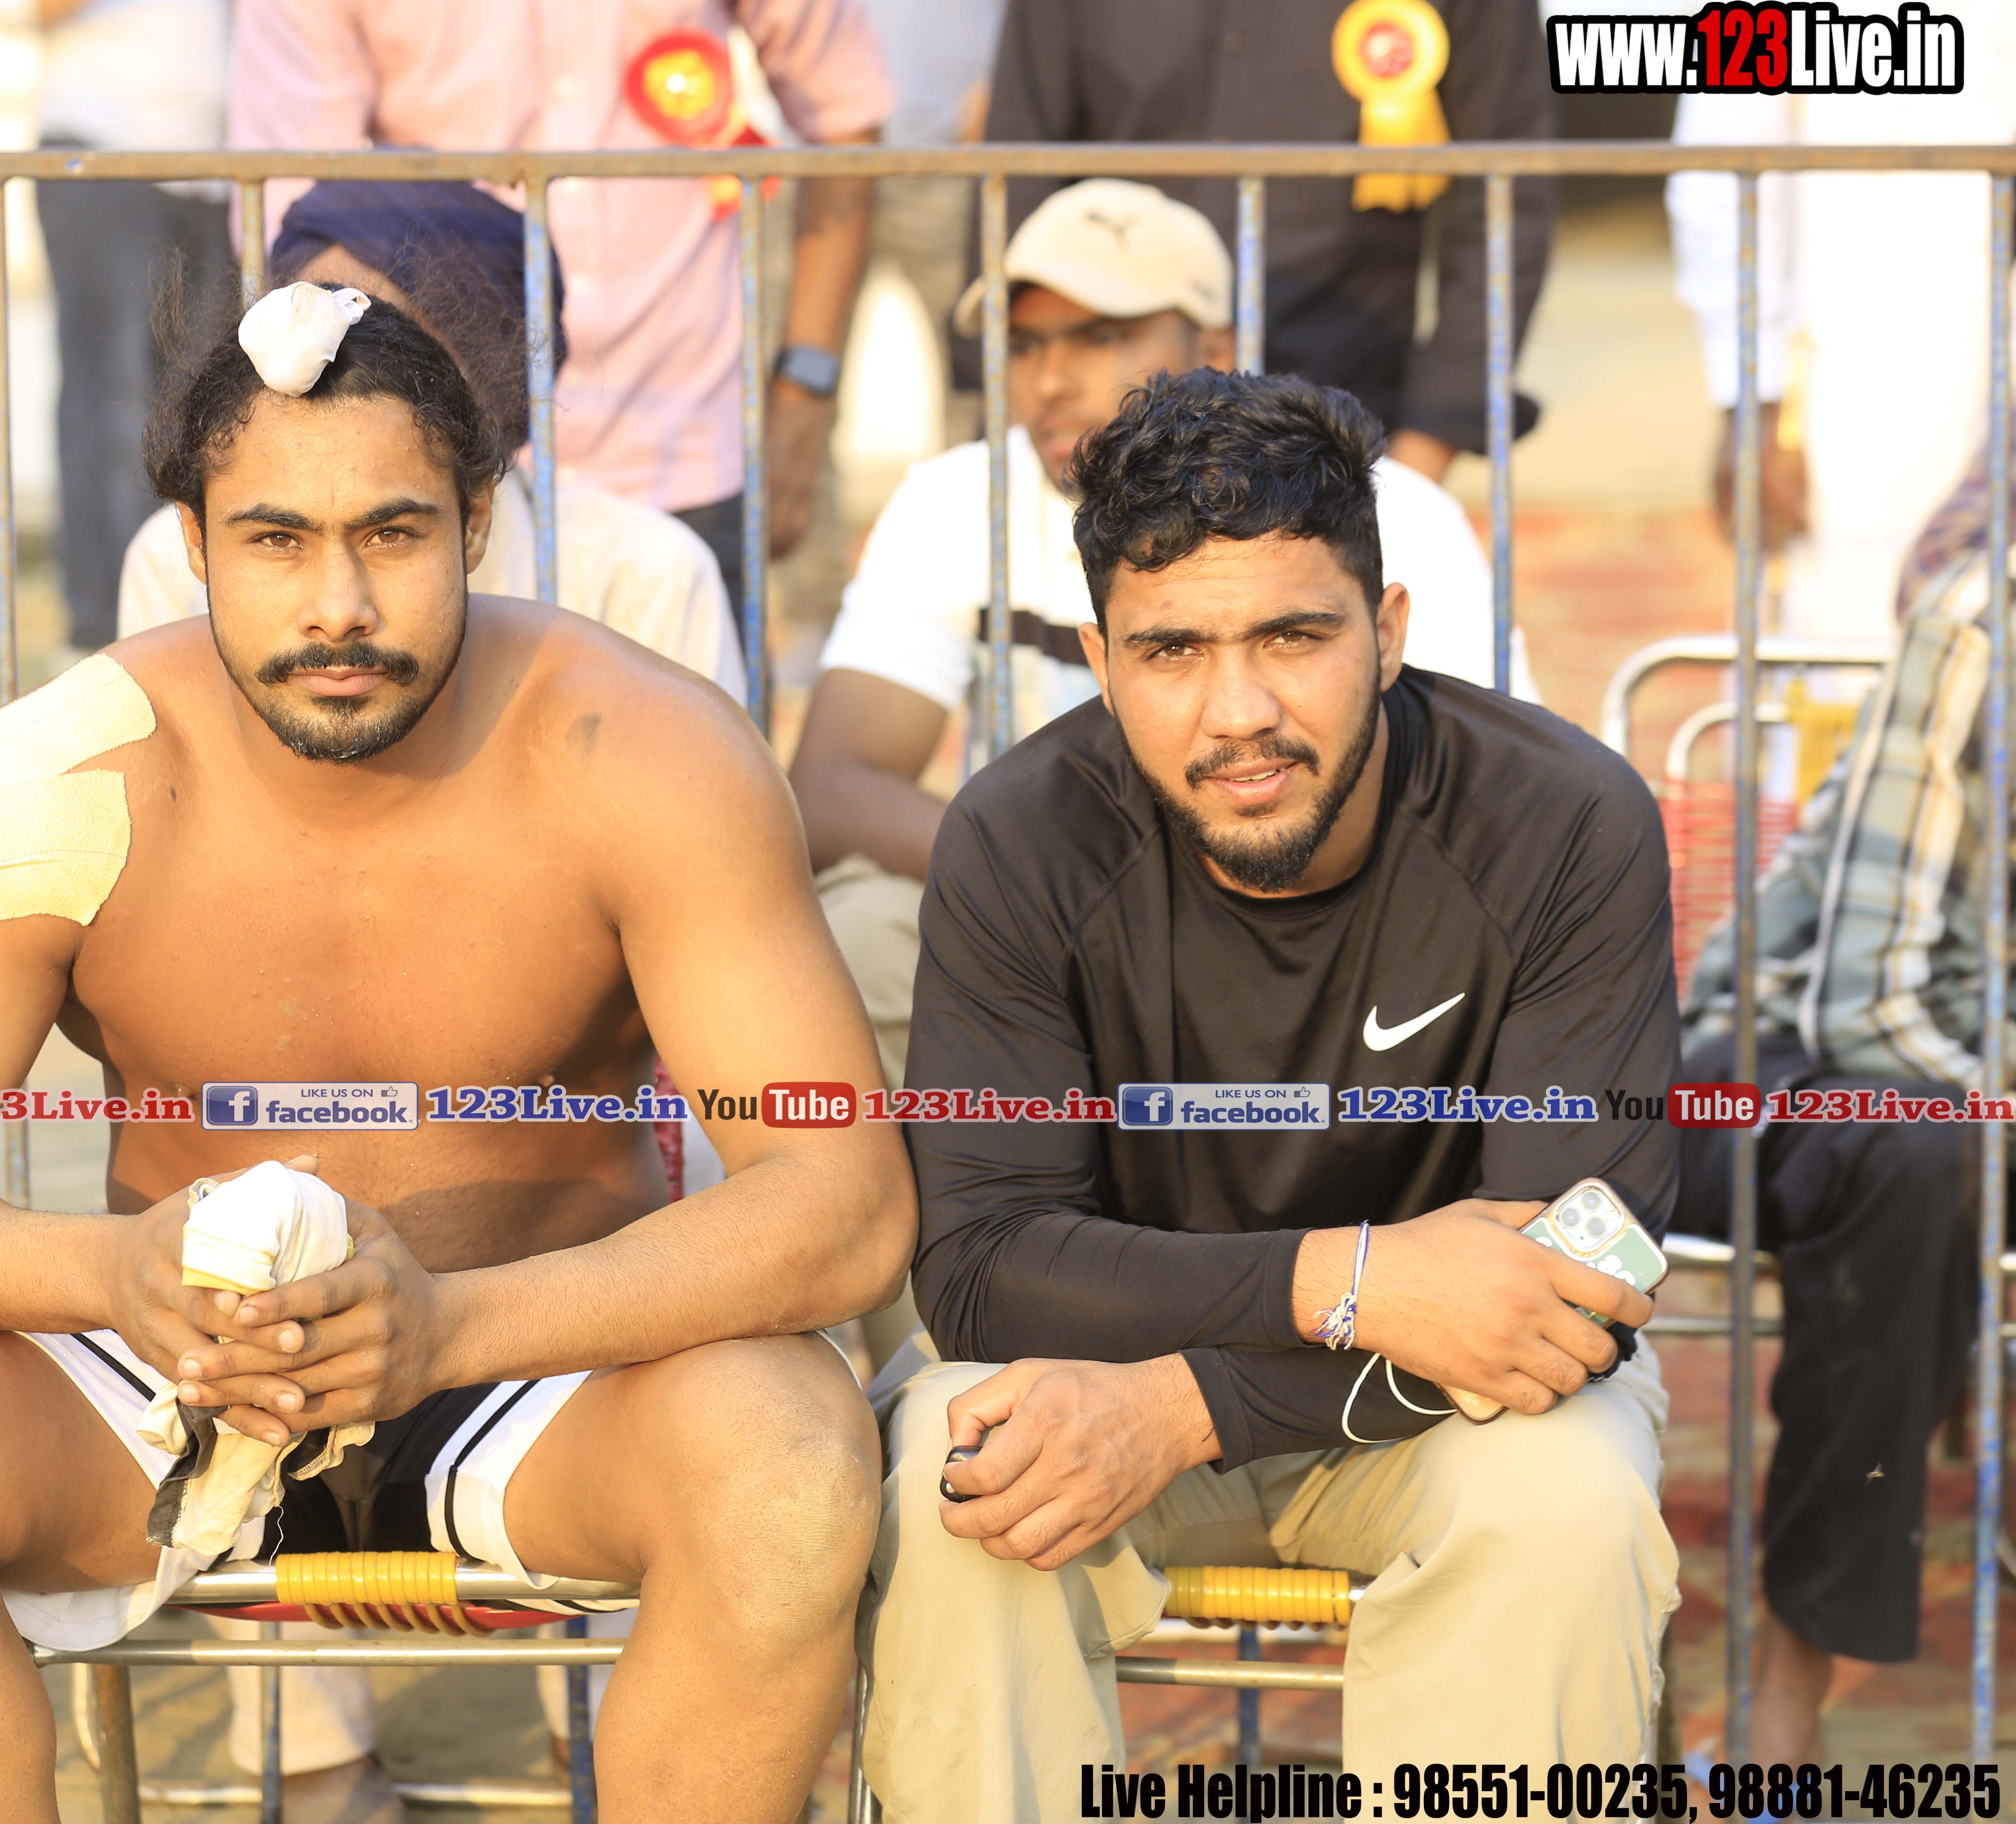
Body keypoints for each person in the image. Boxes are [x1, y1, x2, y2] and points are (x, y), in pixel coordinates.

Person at [0, 286, 913, 1824]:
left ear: (478, 523)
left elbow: (844, 1201)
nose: (338, 605)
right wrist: (111, 1276)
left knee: (789, 1455)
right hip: (174, 1377)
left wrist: (451, 1327)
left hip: (539, 1371)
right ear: (194, 542)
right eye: (278, 540)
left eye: (393, 533)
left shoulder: (643, 751)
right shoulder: (63, 772)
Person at [857, 368, 1680, 1819]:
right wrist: (1349, 1278)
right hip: (1113, 1365)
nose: (1240, 712)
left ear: (1390, 630)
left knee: (1570, 1496)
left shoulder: (1563, 816)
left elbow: (1581, 1270)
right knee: (961, 1466)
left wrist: (1192, 1404)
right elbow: (980, 1267)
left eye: (1295, 636)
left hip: (1441, 1403)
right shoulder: (1019, 837)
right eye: (1172, 650)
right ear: (1102, 661)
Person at [789, 179, 1535, 1095]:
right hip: (1051, 916)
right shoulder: (955, 498)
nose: (1050, 380)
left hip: (1327, 920)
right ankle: (942, 1191)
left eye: (1102, 336)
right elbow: (833, 787)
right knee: (859, 932)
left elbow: (1499, 802)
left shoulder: (1384, 510)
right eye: (1025, 344)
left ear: (1214, 348)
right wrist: (1086, 891)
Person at [1673, 452, 2016, 1760]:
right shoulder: (1981, 620)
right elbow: (1865, 1001)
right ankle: (1785, 1698)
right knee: (1920, 1159)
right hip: (1794, 1062)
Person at [227, 0, 893, 625]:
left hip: (687, 438)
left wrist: (804, 395)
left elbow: (842, 110)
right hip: (444, 472)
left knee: (699, 710)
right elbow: (296, 212)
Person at [115, 180, 746, 701]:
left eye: (388, 348)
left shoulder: (646, 578)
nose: (339, 372)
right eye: (308, 326)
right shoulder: (176, 561)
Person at [983, 0, 1558, 484]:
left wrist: (1418, 463)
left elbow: (1504, 204)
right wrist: (1022, 417)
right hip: (1106, 440)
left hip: (1343, 424)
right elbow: (1015, 177)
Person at [1666, 12, 2016, 644]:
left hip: (1978, 353)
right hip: (1863, 372)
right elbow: (1718, 168)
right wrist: (1752, 394)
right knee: (1860, 638)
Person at [0, 0, 238, 655]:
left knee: (214, 408)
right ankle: (107, 642)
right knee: (115, 406)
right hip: (103, 149)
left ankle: (200, 630)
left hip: (217, 167)